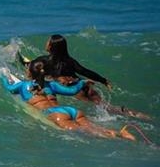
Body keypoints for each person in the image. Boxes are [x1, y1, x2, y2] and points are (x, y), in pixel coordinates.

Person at [18, 34, 149, 119]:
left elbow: (33, 68)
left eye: (48, 42)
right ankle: (138, 115)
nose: (46, 44)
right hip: (84, 85)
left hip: (74, 89)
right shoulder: (70, 61)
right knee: (105, 106)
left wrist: (23, 62)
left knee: (102, 109)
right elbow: (85, 71)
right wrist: (103, 80)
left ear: (51, 46)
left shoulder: (44, 60)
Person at [2, 60, 135, 141]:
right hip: (71, 111)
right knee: (91, 127)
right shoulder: (51, 84)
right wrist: (83, 82)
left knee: (84, 131)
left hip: (56, 114)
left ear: (29, 73)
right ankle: (120, 133)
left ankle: (117, 136)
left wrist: (2, 76)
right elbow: (71, 91)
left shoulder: (23, 85)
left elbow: (9, 87)